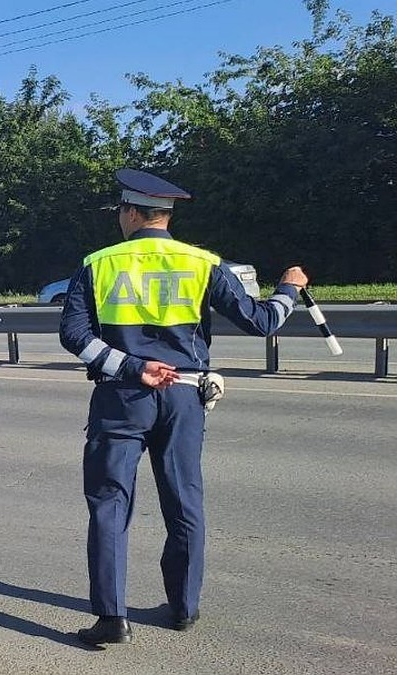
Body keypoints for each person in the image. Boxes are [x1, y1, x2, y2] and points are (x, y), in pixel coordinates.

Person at [59, 168, 309, 646]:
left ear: (132, 213)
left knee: (110, 504)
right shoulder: (202, 262)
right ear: (165, 217)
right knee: (184, 501)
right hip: (185, 398)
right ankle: (183, 609)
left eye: (120, 212)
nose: (119, 218)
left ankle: (112, 618)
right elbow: (261, 323)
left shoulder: (98, 263)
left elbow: (75, 336)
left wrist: (132, 367)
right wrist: (289, 289)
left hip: (122, 397)